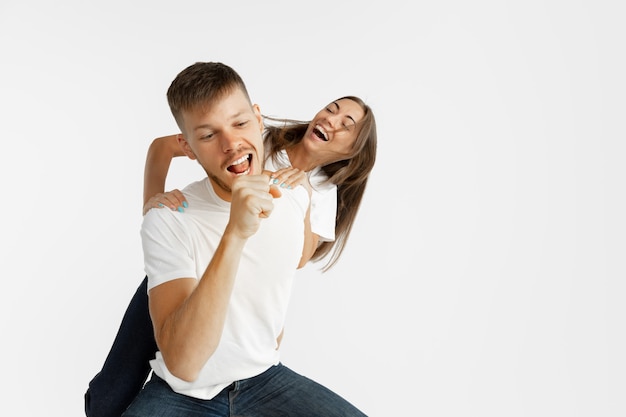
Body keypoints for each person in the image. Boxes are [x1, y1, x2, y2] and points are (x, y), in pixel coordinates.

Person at [85, 72, 377, 416]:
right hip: (186, 271)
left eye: (347, 125)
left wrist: (304, 194)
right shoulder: (259, 137)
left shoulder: (318, 194)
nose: (332, 120)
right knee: (109, 398)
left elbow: (293, 262)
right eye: (332, 109)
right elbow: (163, 147)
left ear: (352, 151)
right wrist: (154, 208)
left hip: (244, 291)